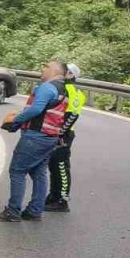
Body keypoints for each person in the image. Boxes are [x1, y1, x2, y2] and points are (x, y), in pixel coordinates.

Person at [0, 60, 70, 223]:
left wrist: (16, 120)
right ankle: (34, 211)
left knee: (17, 171)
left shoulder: (47, 87)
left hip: (36, 137)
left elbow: (36, 109)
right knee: (39, 172)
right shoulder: (64, 90)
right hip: (50, 137)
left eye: (46, 66)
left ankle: (13, 211)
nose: (43, 68)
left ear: (55, 71)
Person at [45, 63, 86, 212]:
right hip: (58, 132)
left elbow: (73, 115)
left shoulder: (72, 90)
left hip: (64, 134)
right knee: (53, 165)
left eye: (65, 71)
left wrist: (60, 133)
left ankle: (62, 200)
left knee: (61, 166)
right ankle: (53, 196)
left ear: (70, 74)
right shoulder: (62, 87)